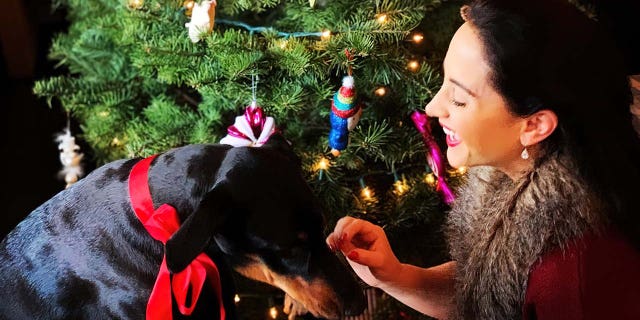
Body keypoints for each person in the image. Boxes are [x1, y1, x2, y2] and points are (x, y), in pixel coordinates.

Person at [326, 0, 640, 319]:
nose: (432, 107)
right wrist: (395, 275)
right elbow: (492, 293)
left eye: (459, 100)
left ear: (535, 125)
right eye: (443, 82)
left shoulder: (575, 272)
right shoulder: (516, 176)